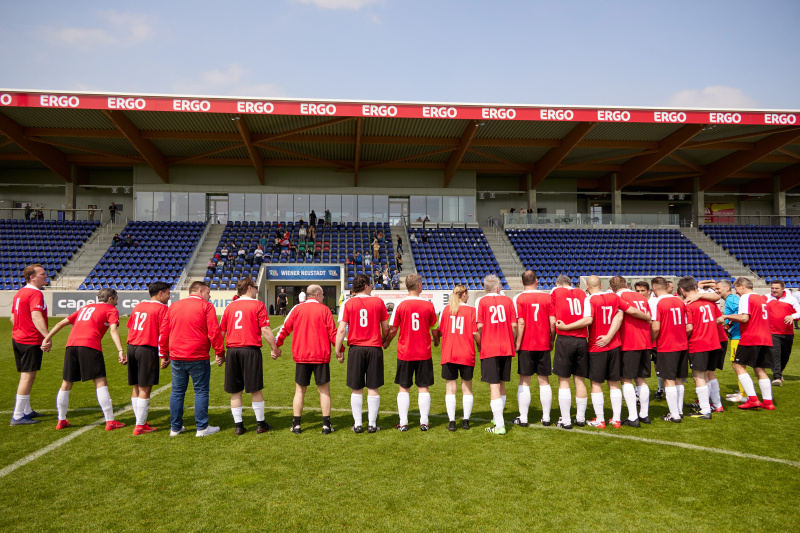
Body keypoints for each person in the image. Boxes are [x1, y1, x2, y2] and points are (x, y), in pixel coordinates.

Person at [42, 288, 126, 431]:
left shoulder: (84, 308)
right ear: (110, 298)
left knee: (66, 383)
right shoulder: (110, 309)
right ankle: (110, 421)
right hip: (90, 345)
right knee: (100, 381)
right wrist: (120, 350)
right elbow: (113, 330)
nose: (117, 302)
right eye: (116, 298)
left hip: (71, 345)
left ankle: (61, 420)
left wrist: (46, 340)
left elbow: (59, 324)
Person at [160, 281, 225, 437]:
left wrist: (164, 353)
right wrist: (220, 352)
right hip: (198, 355)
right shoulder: (206, 306)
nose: (209, 296)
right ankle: (202, 427)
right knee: (201, 391)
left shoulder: (174, 306)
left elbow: (164, 331)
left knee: (177, 392)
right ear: (201, 291)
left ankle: (175, 428)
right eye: (208, 293)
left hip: (177, 355)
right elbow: (214, 332)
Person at [275, 284, 339, 434]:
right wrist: (339, 350)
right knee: (324, 391)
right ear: (317, 295)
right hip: (321, 356)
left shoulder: (297, 309)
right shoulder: (325, 310)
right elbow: (333, 334)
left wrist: (276, 347)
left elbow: (284, 329)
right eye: (322, 294)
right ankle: (325, 426)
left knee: (300, 391)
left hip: (302, 356)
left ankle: (296, 425)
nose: (323, 297)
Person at [220, 277, 278, 435]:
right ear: (249, 288)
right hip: (250, 349)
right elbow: (265, 330)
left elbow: (221, 332)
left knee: (235, 391)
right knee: (255, 389)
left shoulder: (230, 306)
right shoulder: (258, 305)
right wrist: (274, 348)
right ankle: (261, 424)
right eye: (256, 287)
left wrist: (220, 353)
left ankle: (238, 426)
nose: (257, 290)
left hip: (232, 350)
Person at [383, 274, 438, 431]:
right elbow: (434, 328)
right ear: (419, 285)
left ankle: (404, 422)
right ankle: (424, 422)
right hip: (423, 352)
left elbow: (393, 329)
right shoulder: (428, 305)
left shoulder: (401, 305)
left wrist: (387, 341)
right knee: (423, 387)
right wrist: (436, 340)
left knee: (404, 387)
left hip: (405, 351)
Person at [335, 274, 389, 434]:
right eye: (370, 284)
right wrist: (385, 340)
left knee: (356, 388)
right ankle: (372, 424)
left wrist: (338, 349)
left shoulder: (347, 303)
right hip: (374, 348)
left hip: (356, 349)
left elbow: (341, 329)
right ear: (365, 285)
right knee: (373, 387)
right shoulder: (378, 302)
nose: (372, 287)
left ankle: (358, 424)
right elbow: (385, 328)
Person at [719, 277, 775, 410]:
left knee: (737, 365)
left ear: (742, 286)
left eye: (737, 289)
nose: (737, 292)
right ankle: (768, 401)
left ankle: (752, 399)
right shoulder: (762, 298)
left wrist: (726, 317)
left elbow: (744, 317)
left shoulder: (746, 297)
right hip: (765, 337)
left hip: (751, 336)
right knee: (759, 368)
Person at [126, 281, 171, 435]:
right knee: (145, 387)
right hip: (146, 347)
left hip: (132, 346)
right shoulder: (163, 309)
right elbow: (164, 333)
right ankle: (140, 425)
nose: (169, 297)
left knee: (136, 386)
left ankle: (139, 419)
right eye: (168, 293)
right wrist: (164, 355)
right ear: (160, 293)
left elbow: (130, 327)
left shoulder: (138, 306)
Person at [610, 276, 655, 426]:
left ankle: (633, 416)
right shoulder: (640, 296)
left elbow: (618, 318)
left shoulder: (617, 297)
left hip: (629, 341)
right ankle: (644, 414)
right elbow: (649, 319)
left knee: (626, 379)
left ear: (612, 287)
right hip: (645, 340)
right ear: (626, 284)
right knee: (641, 379)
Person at [512, 271, 555, 427]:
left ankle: (523, 418)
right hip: (543, 343)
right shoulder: (548, 297)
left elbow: (519, 323)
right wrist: (552, 340)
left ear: (523, 282)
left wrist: (517, 343)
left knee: (525, 381)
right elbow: (552, 323)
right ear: (537, 281)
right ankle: (547, 417)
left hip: (526, 344)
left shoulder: (519, 298)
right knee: (544, 381)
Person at [476, 274, 517, 435]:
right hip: (506, 346)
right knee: (501, 383)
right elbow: (514, 326)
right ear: (499, 288)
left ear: (485, 289)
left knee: (494, 386)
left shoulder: (482, 301)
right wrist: (512, 341)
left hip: (490, 347)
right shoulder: (508, 301)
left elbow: (479, 326)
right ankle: (497, 418)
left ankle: (499, 425)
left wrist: (481, 342)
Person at [434, 285, 479, 431]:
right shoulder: (472, 311)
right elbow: (475, 333)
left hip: (449, 352)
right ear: (464, 294)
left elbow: (440, 331)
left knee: (450, 388)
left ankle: (452, 422)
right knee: (467, 388)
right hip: (466, 353)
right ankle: (465, 421)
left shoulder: (446, 310)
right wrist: (480, 344)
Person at [10, 264, 50, 425]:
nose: (45, 276)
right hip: (30, 340)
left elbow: (13, 318)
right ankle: (18, 415)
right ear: (32, 277)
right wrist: (47, 337)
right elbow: (36, 316)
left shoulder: (20, 293)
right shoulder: (35, 293)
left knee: (25, 375)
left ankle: (26, 410)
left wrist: (20, 330)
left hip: (18, 338)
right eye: (42, 274)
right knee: (28, 376)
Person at [550, 275, 589, 429]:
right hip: (581, 340)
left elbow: (553, 321)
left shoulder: (556, 292)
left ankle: (566, 420)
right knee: (580, 381)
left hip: (565, 339)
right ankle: (580, 418)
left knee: (564, 381)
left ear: (558, 284)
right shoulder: (582, 293)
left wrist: (552, 340)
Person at [679, 276, 721, 420]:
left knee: (698, 376)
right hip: (713, 342)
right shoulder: (709, 301)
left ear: (682, 290)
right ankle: (716, 404)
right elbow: (717, 318)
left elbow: (689, 328)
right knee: (707, 375)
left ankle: (704, 410)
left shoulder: (688, 305)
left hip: (698, 343)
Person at [650, 276, 688, 423]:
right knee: (678, 379)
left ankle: (674, 414)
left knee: (669, 380)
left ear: (654, 288)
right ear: (666, 286)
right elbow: (686, 325)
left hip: (667, 345)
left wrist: (650, 341)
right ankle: (679, 410)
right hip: (682, 344)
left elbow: (655, 326)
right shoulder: (679, 301)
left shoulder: (656, 302)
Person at [766, 280, 800, 386]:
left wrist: (792, 316)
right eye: (772, 288)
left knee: (785, 355)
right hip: (772, 332)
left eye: (776, 288)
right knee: (775, 354)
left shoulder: (791, 299)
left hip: (787, 333)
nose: (774, 290)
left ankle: (779, 373)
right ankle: (777, 377)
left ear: (782, 289)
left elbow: (799, 312)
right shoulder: (766, 298)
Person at [715, 280, 744, 402]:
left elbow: (742, 313)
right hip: (735, 336)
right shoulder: (730, 300)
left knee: (738, 366)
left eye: (718, 288)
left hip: (738, 337)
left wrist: (729, 324)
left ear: (727, 288)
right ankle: (742, 391)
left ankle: (744, 395)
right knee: (737, 365)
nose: (716, 291)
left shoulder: (732, 299)